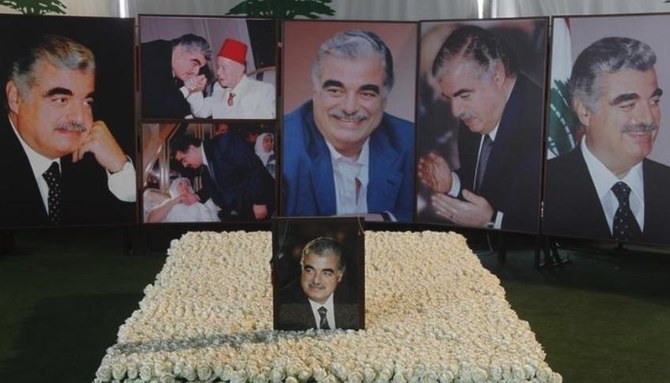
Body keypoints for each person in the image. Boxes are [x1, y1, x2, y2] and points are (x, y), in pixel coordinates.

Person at [543, 37, 670, 244]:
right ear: (584, 111)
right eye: (628, 104)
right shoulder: (542, 186)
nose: (648, 118)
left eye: (654, 101)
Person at [0, 34, 136, 227]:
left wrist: (121, 170)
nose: (79, 118)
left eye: (87, 102)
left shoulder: (95, 160)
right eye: (61, 99)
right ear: (15, 97)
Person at [417, 25, 543, 232]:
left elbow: (557, 221)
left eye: (464, 95)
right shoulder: (475, 118)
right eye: (449, 98)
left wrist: (493, 221)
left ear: (497, 75)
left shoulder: (541, 123)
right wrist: (453, 183)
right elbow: (490, 186)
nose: (455, 111)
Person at [282, 29, 415, 222]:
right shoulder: (284, 149)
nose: (350, 108)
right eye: (335, 90)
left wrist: (386, 220)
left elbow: (431, 218)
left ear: (384, 99)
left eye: (367, 93)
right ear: (315, 93)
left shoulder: (412, 142)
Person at [171, 133, 275, 221]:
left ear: (192, 148)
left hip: (266, 203)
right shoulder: (204, 167)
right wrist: (196, 196)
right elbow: (211, 189)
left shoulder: (224, 143)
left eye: (184, 160)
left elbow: (254, 167)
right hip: (246, 212)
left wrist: (260, 201)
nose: (184, 165)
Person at [276, 237, 359, 331]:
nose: (316, 280)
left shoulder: (355, 302)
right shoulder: (281, 305)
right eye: (309, 270)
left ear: (339, 275)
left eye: (326, 273)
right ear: (301, 267)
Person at [184, 38, 275, 119]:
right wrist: (195, 91)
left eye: (224, 68)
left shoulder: (263, 90)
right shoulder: (218, 88)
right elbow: (201, 112)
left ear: (240, 69)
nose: (218, 72)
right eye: (218, 67)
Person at [141, 33, 212, 119]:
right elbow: (155, 110)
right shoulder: (152, 59)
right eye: (194, 64)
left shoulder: (174, 64)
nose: (196, 72)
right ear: (180, 50)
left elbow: (178, 106)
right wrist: (187, 90)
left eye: (199, 67)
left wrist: (193, 92)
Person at [143, 178, 219, 223]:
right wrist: (176, 200)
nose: (185, 186)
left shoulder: (198, 204)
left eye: (187, 184)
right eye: (180, 184)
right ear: (174, 188)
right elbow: (151, 220)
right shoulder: (168, 203)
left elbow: (209, 220)